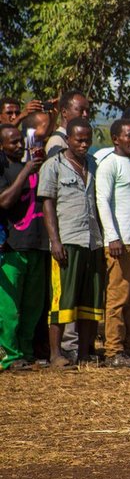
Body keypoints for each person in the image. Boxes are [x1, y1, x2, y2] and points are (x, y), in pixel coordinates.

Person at [38, 118, 103, 368]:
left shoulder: (94, 166)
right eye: (79, 139)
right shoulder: (53, 166)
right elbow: (47, 203)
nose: (84, 144)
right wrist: (55, 240)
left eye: (88, 139)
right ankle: (56, 354)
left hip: (92, 240)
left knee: (89, 297)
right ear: (68, 140)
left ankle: (85, 352)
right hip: (67, 239)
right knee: (62, 299)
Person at [95, 119, 130, 368]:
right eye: (129, 136)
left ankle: (129, 347)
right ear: (116, 138)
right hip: (120, 242)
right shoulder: (109, 164)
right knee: (117, 297)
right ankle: (113, 351)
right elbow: (102, 201)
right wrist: (112, 236)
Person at [0, 124, 47, 370]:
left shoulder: (36, 167)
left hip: (38, 244)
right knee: (10, 307)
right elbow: (4, 201)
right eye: (12, 142)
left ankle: (26, 352)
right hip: (11, 246)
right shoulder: (5, 169)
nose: (19, 146)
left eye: (21, 141)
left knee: (33, 305)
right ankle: (11, 355)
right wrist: (25, 172)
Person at [44, 91, 91, 156]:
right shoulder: (57, 141)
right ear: (64, 112)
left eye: (87, 111)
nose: (85, 114)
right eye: (81, 110)